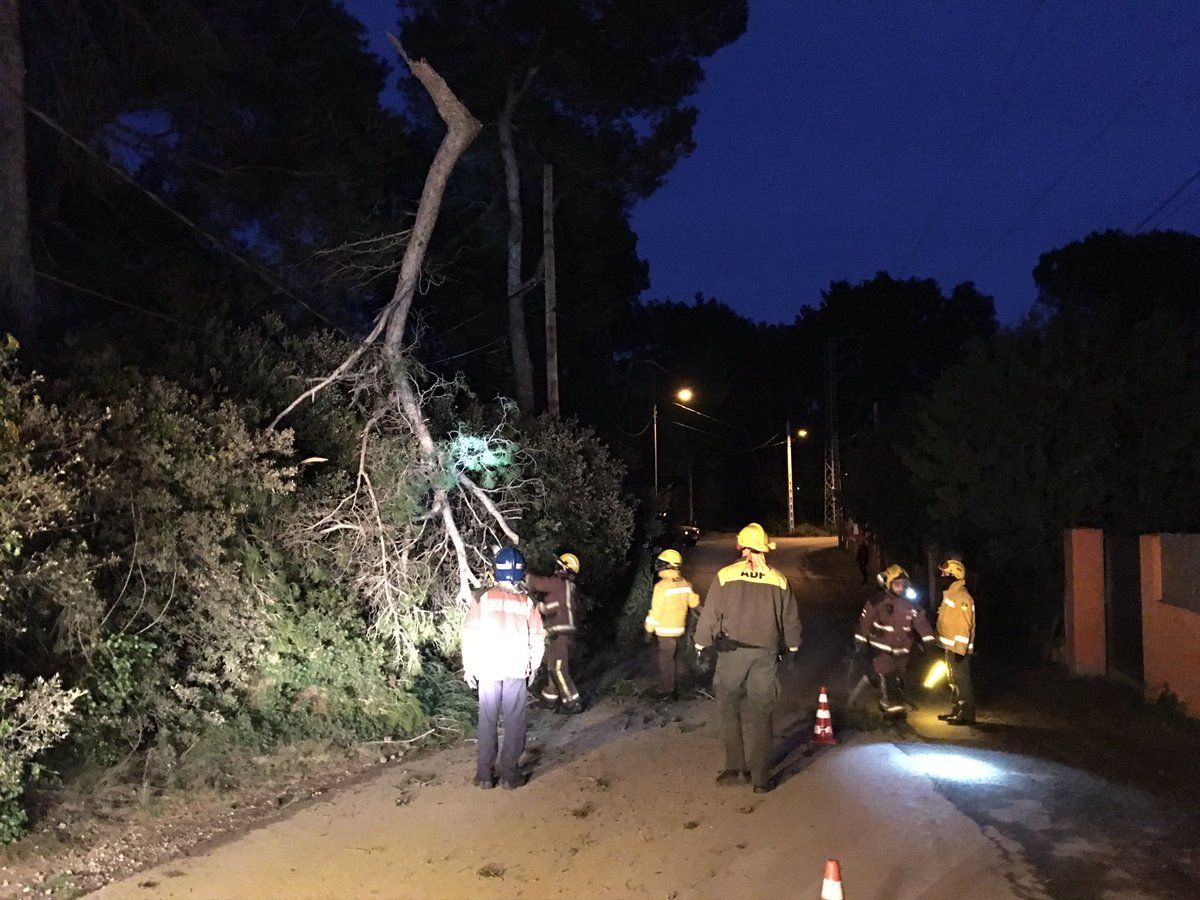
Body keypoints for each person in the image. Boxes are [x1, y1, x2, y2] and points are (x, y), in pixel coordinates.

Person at [694, 523, 801, 794]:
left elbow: (710, 615)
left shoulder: (725, 575)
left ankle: (736, 769)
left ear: (740, 547)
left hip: (731, 653)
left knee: (728, 707)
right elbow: (790, 619)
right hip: (765, 655)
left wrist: (700, 643)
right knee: (762, 713)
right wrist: (793, 648)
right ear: (765, 548)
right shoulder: (778, 579)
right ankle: (761, 780)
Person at [460, 546, 545, 789]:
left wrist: (470, 666)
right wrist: (534, 668)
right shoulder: (528, 602)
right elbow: (537, 638)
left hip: (488, 668)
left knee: (487, 722)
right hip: (516, 669)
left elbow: (469, 633)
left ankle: (484, 776)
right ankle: (510, 775)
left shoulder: (483, 598)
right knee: (514, 722)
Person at [856, 565, 935, 715]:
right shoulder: (878, 601)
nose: (900, 588)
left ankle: (896, 699)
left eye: (903, 585)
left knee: (899, 676)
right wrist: (861, 642)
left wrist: (929, 641)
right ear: (889, 584)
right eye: (896, 584)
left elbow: (921, 623)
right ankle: (887, 703)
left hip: (903, 650)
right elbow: (864, 622)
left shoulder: (911, 605)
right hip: (881, 649)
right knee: (886, 673)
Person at [527, 552, 582, 714]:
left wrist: (524, 575)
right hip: (563, 634)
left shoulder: (559, 583)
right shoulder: (567, 588)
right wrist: (541, 608)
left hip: (561, 634)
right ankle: (550, 698)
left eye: (559, 566)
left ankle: (573, 702)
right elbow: (554, 608)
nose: (556, 569)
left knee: (558, 668)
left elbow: (538, 583)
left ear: (564, 568)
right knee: (552, 664)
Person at [644, 548, 701, 699]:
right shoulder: (685, 583)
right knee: (674, 657)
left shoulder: (662, 586)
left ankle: (668, 691)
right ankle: (673, 684)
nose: (659, 566)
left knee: (666, 660)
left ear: (669, 566)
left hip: (665, 630)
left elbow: (656, 611)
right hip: (679, 628)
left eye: (662, 563)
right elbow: (694, 602)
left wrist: (649, 629)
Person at [935, 557, 977, 725]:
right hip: (951, 647)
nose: (942, 575)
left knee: (961, 680)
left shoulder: (961, 597)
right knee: (953, 679)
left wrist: (960, 649)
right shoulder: (952, 594)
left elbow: (963, 625)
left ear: (954, 574)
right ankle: (957, 710)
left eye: (945, 573)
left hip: (958, 649)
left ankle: (966, 714)